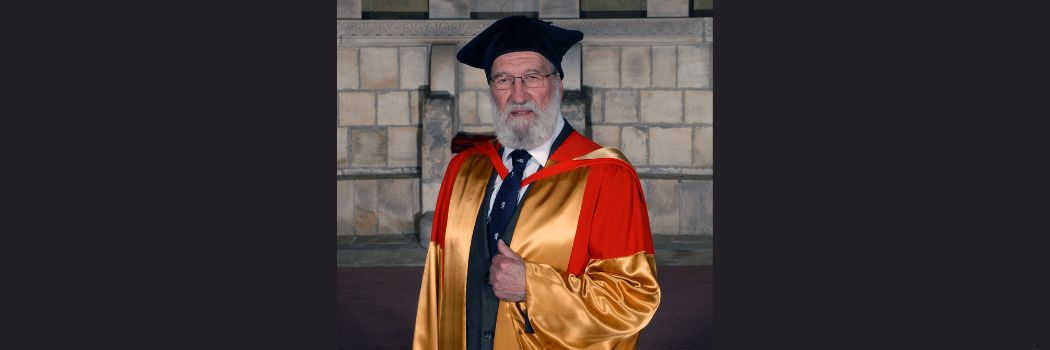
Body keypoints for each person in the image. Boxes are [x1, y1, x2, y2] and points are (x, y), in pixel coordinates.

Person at [413, 16, 660, 350]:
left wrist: (534, 286)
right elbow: (436, 291)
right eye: (503, 80)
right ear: (491, 91)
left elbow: (632, 298)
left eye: (532, 77)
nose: (518, 94)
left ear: (558, 83)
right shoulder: (465, 170)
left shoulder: (605, 175)